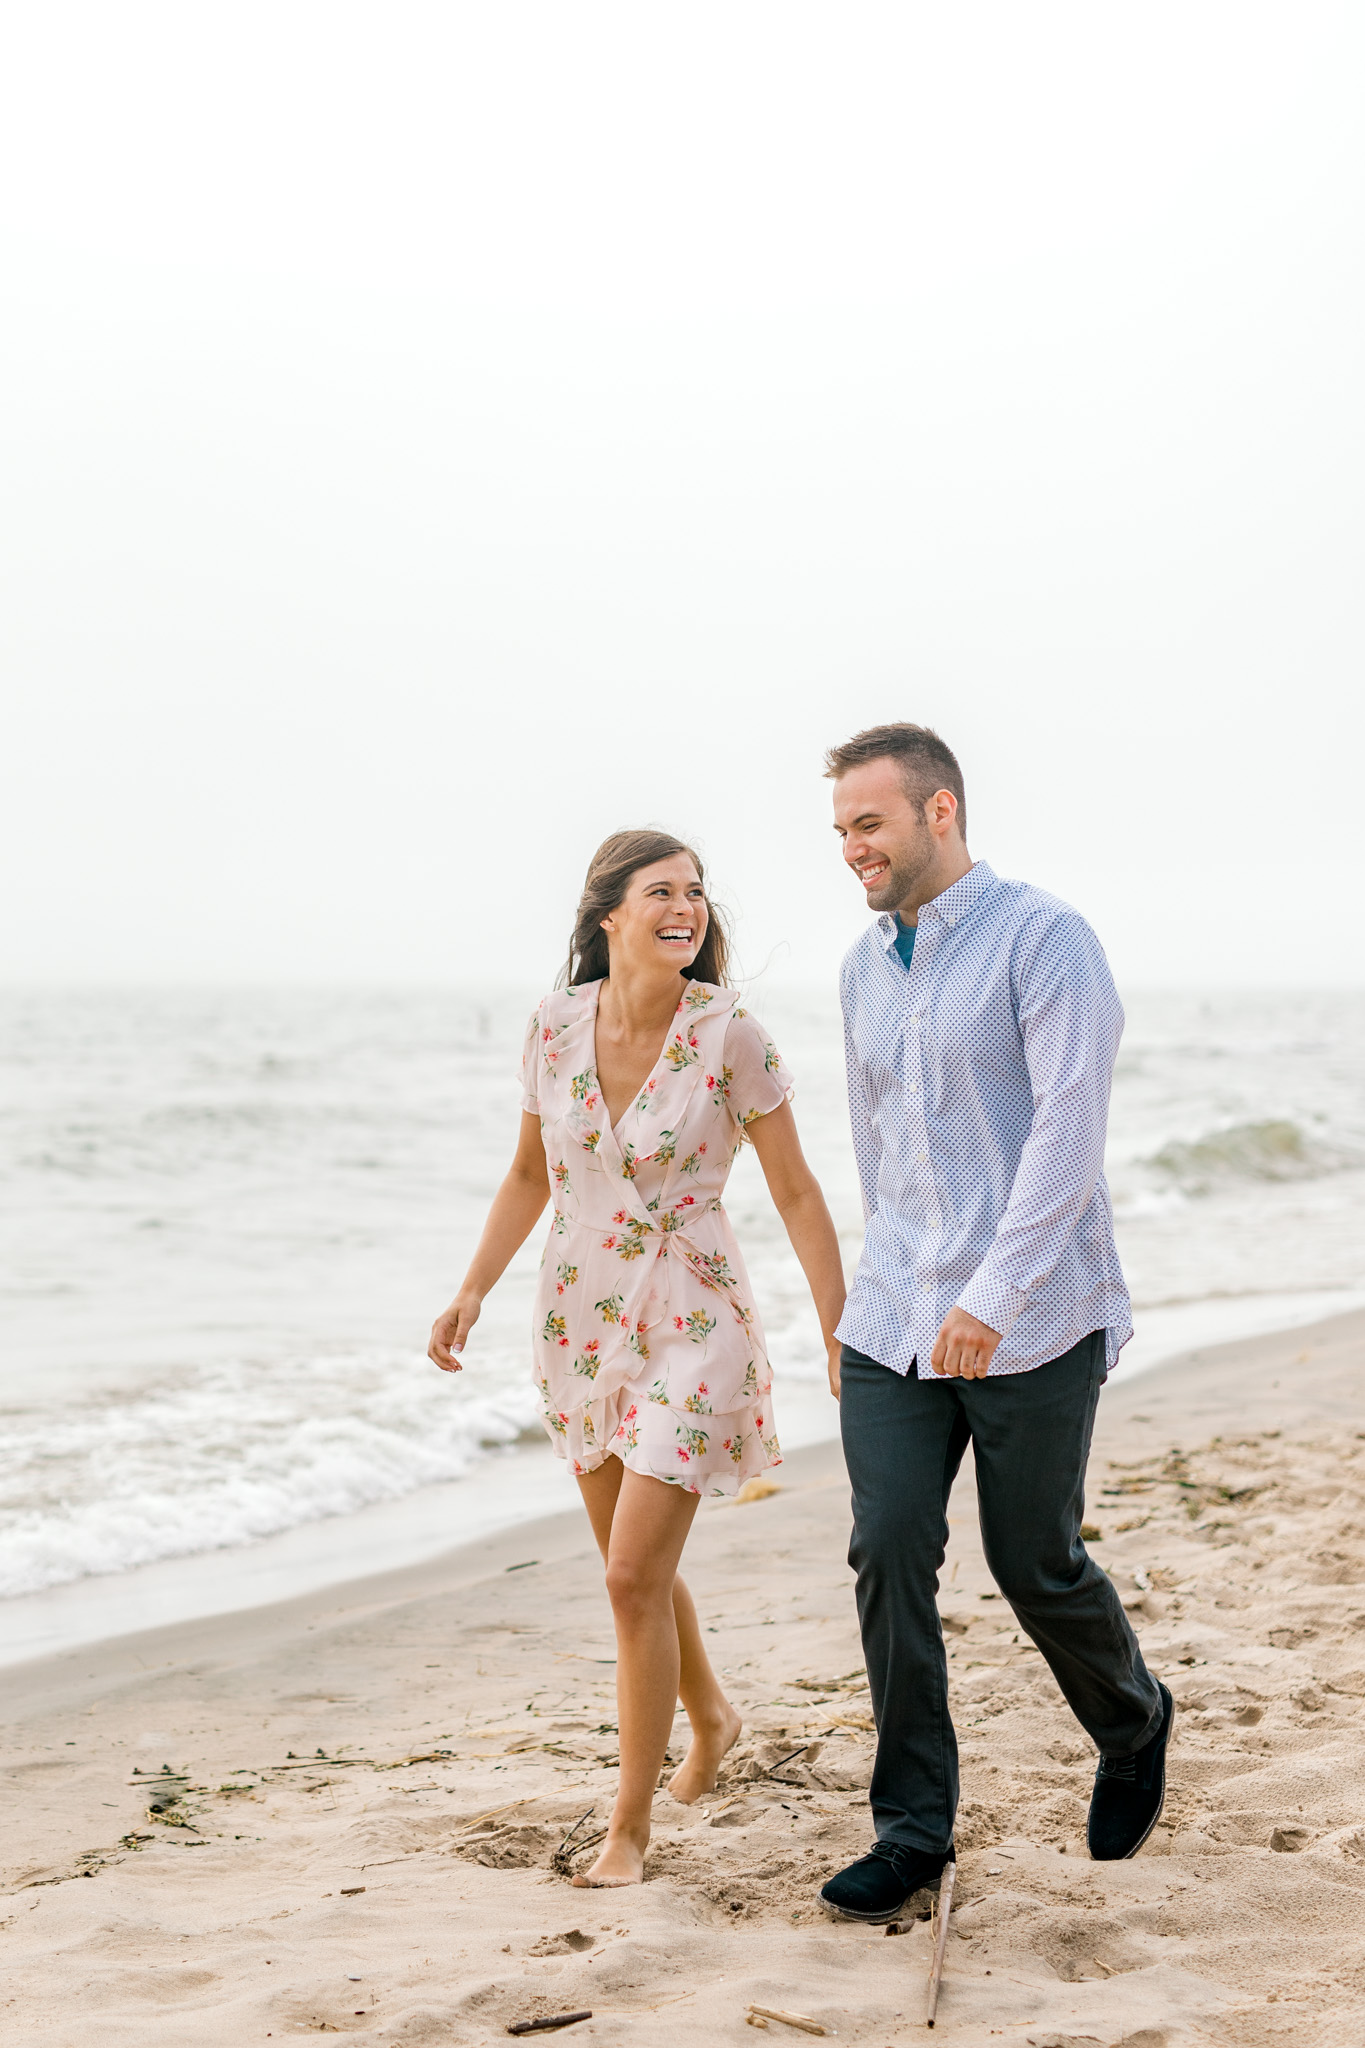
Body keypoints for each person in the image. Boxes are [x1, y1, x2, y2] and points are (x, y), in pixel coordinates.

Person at [430, 829, 846, 1888]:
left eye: (697, 893)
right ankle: (710, 1714)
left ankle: (630, 1827)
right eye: (662, 890)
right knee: (636, 1569)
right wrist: (472, 1285)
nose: (688, 907)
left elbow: (795, 1188)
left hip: (695, 1316)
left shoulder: (730, 1034)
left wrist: (838, 1321)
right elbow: (529, 1173)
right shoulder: (553, 1024)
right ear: (608, 912)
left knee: (627, 1573)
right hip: (580, 1315)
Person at [817, 722, 1171, 1924]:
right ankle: (912, 1827)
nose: (853, 847)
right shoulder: (864, 968)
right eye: (841, 830)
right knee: (889, 1547)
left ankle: (1133, 1723)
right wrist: (880, 1297)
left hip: (1031, 1314)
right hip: (897, 1317)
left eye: (870, 822)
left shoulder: (1046, 938)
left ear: (941, 811)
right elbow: (880, 1153)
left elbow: (1070, 1128)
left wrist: (992, 1293)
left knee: (1034, 1561)